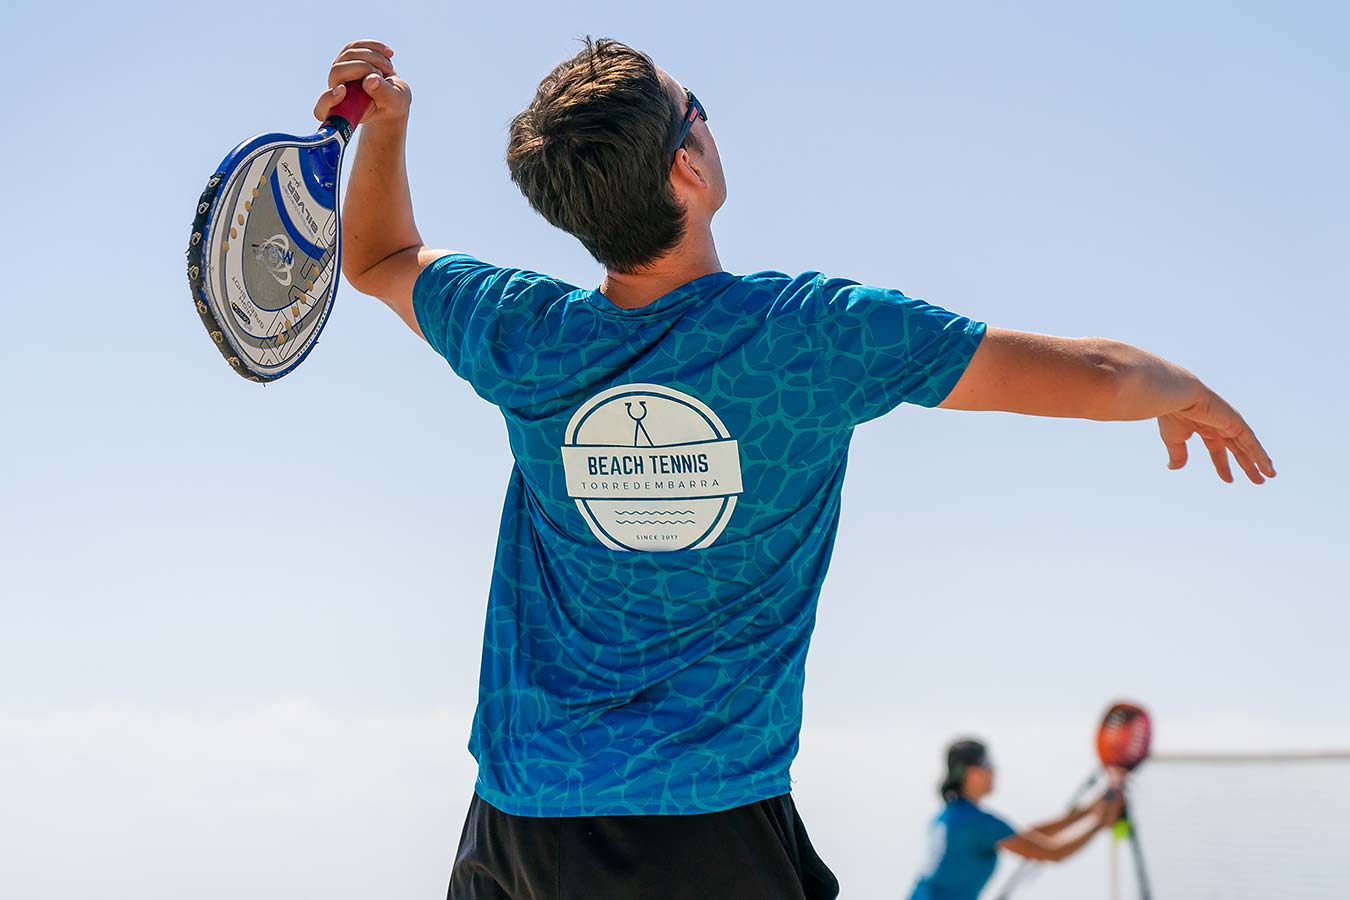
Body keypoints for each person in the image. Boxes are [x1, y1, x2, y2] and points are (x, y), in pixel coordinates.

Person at [311, 37, 1274, 900]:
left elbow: (380, 255)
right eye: (702, 109)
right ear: (688, 167)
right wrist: (1186, 390)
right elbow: (1098, 377)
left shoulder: (523, 333)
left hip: (518, 827)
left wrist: (386, 128)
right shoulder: (808, 337)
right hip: (711, 830)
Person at [909, 739, 1123, 900]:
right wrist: (1099, 824)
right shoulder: (976, 823)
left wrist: (1089, 811)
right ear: (971, 773)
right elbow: (1052, 851)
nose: (994, 771)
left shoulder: (953, 816)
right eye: (988, 764)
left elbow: (1027, 836)